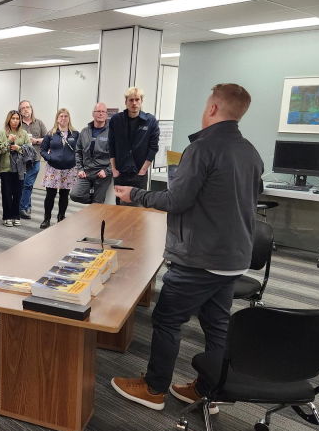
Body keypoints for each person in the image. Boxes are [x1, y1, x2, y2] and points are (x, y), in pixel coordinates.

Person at [111, 84, 264, 412]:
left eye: (206, 103)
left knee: (167, 320)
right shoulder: (251, 151)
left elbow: (176, 201)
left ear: (212, 108)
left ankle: (153, 388)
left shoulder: (202, 149)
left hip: (200, 258)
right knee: (217, 324)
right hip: (233, 259)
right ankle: (211, 389)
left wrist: (134, 195)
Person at [108, 87, 160, 205]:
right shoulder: (116, 120)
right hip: (120, 173)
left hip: (139, 174)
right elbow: (111, 144)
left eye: (137, 99)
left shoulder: (150, 121)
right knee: (120, 209)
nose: (134, 103)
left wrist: (144, 169)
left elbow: (153, 147)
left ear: (141, 101)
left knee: (139, 208)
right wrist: (114, 169)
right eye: (131, 100)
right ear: (126, 102)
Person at [40, 108, 79, 229]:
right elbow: (42, 150)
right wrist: (50, 158)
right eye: (61, 116)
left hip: (69, 169)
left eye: (66, 116)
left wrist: (75, 160)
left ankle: (61, 217)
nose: (63, 118)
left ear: (69, 119)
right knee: (50, 195)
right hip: (53, 168)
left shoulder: (75, 134)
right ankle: (46, 219)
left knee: (64, 195)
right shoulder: (50, 134)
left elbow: (80, 150)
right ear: (57, 119)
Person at [71, 103, 112, 204]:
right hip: (86, 172)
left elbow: (117, 156)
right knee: (75, 195)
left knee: (98, 203)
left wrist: (107, 171)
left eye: (103, 112)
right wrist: (80, 169)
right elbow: (78, 152)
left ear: (106, 115)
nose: (101, 114)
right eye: (98, 111)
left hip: (102, 173)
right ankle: (95, 202)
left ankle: (97, 204)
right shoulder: (84, 132)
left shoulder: (112, 132)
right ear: (93, 114)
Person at [0, 110, 31, 227]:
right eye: (13, 118)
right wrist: (9, 141)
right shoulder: (2, 133)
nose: (15, 121)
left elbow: (29, 150)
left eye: (17, 118)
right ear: (9, 120)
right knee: (6, 193)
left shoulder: (24, 133)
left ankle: (16, 216)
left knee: (17, 193)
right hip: (6, 168)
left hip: (20, 169)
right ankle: (7, 216)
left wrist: (18, 148)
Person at [18, 100, 47, 219]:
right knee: (24, 184)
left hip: (35, 159)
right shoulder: (18, 124)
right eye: (23, 108)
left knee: (28, 183)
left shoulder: (39, 123)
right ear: (20, 111)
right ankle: (28, 205)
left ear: (31, 109)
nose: (26, 109)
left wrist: (36, 141)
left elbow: (47, 138)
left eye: (28, 107)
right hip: (21, 160)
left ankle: (22, 207)